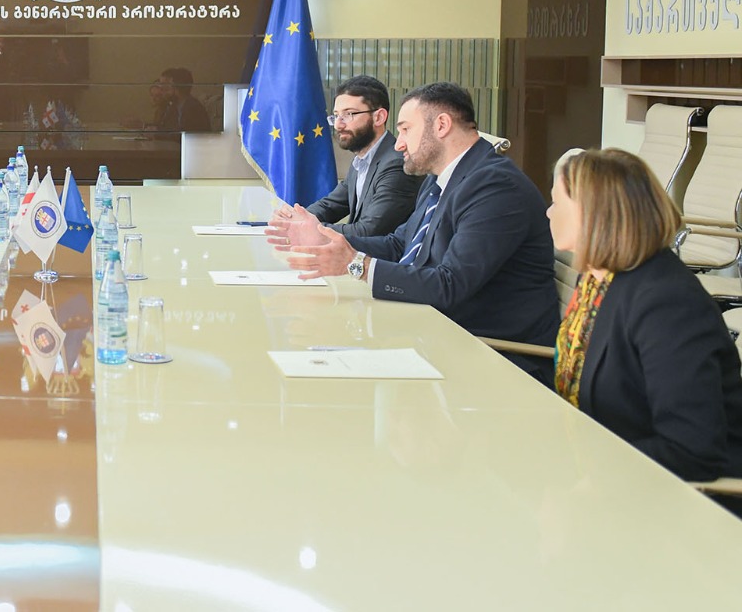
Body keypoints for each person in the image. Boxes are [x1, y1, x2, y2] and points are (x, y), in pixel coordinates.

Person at [274, 82, 558, 381]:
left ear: (442, 125)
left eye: (406, 130)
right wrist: (329, 241)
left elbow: (450, 284)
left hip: (493, 356)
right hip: (436, 333)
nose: (398, 144)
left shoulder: (495, 187)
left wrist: (356, 265)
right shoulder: (441, 179)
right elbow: (400, 245)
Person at [547, 148, 742, 488]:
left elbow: (690, 450)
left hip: (677, 496)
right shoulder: (596, 279)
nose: (548, 212)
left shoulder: (666, 302)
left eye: (556, 202)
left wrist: (594, 478)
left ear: (592, 214)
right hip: (602, 470)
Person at [295, 75, 422, 237]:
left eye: (349, 114)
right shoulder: (361, 160)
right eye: (336, 116)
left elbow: (369, 230)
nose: (338, 125)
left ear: (378, 117)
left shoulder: (397, 164)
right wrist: (296, 218)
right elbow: (330, 206)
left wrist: (309, 228)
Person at [145, 68, 212, 132]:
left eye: (167, 85)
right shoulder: (175, 106)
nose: (162, 89)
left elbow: (181, 135)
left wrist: (157, 134)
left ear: (177, 87)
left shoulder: (193, 108)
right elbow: (167, 129)